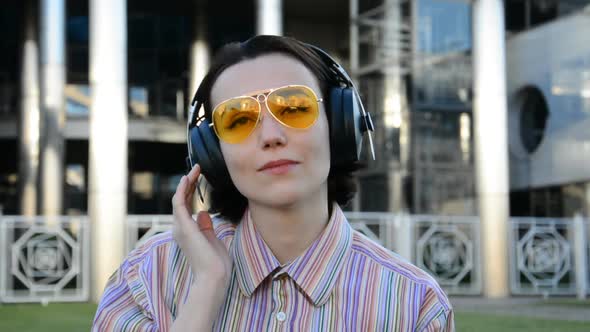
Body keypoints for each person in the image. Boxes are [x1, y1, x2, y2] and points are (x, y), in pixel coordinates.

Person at [92, 35, 454, 331]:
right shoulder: (147, 275)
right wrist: (207, 286)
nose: (270, 136)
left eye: (295, 108)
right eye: (238, 120)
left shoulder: (414, 304)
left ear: (340, 125)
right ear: (213, 154)